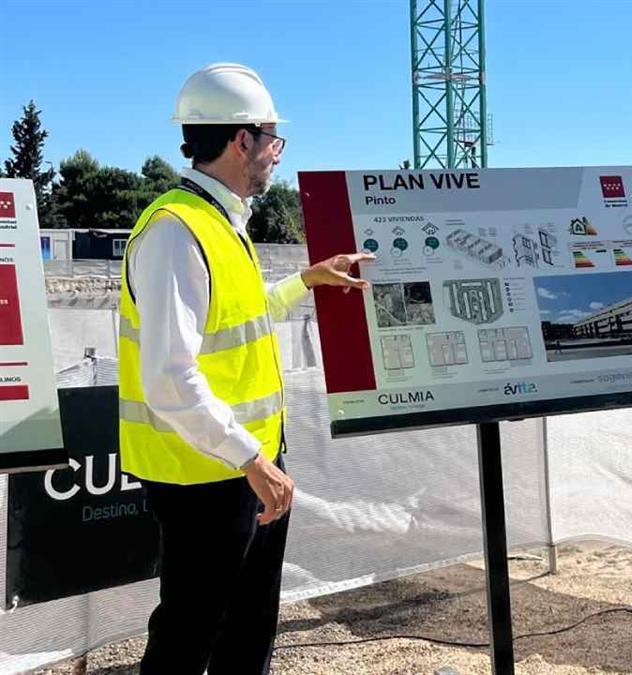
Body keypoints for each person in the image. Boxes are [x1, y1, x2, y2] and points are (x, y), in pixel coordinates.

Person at [117, 63, 373, 674]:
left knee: (247, 628)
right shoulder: (177, 232)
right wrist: (252, 461)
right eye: (272, 141)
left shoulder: (219, 221)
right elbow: (169, 377)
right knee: (189, 635)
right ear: (241, 141)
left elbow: (238, 314)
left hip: (240, 467)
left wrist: (306, 281)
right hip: (208, 474)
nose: (275, 155)